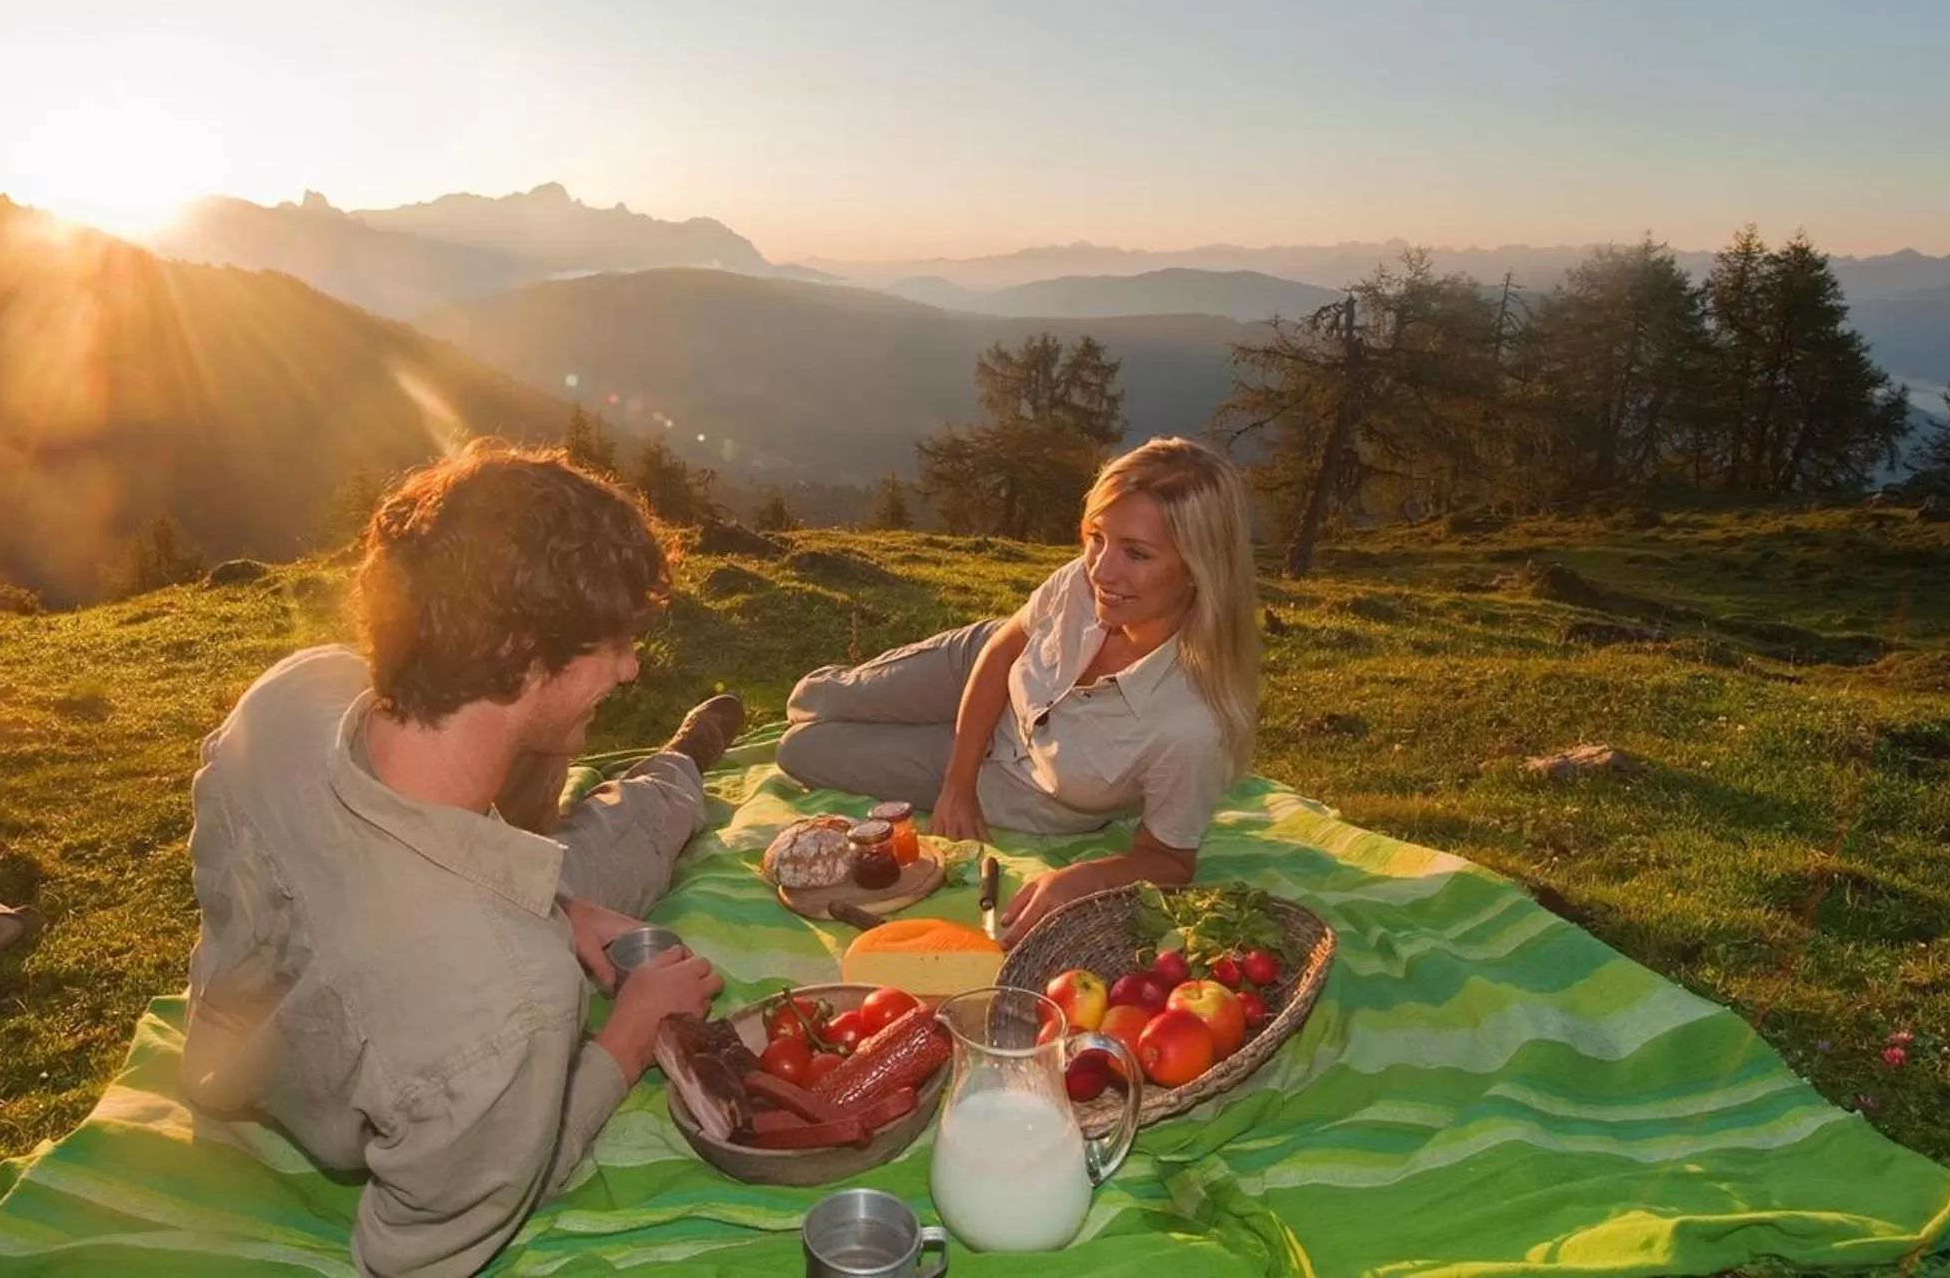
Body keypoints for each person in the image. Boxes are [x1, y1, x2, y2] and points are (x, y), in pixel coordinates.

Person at [181, 441, 743, 1278]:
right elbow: (436, 1235)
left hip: (237, 1055)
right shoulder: (506, 1007)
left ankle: (676, 764)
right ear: (520, 655)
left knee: (578, 868)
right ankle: (682, 763)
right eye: (612, 643)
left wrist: (559, 909)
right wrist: (626, 1037)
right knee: (629, 832)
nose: (628, 669)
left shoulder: (297, 692)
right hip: (457, 986)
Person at [778, 436, 1258, 941]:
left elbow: (1170, 860)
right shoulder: (1086, 581)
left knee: (802, 749)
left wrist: (1083, 877)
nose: (1100, 569)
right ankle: (850, 692)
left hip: (1011, 787)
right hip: (977, 673)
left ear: (1199, 569)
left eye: (1136, 553)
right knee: (813, 700)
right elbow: (1004, 649)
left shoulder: (1193, 725)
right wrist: (955, 785)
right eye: (1097, 537)